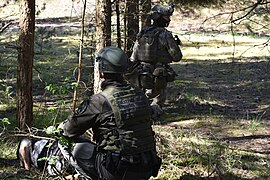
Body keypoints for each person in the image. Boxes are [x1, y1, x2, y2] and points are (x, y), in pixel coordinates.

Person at [58, 46, 162, 180]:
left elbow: (69, 130)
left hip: (118, 171)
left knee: (67, 143)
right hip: (147, 166)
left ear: (101, 73)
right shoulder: (139, 94)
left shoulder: (99, 101)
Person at [125, 2, 183, 108]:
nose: (168, 20)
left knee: (140, 98)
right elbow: (177, 57)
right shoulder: (165, 34)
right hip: (157, 74)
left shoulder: (143, 32)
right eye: (166, 17)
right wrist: (175, 45)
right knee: (158, 98)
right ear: (159, 18)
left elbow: (134, 56)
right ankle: (155, 113)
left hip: (141, 72)